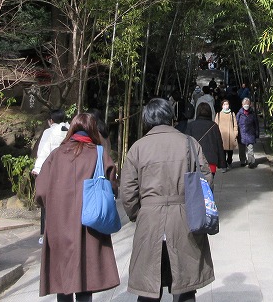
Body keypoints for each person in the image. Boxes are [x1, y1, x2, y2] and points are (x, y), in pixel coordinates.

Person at [122, 98, 215, 302]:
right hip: (185, 220)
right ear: (170, 117)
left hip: (150, 220)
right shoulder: (190, 143)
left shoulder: (137, 148)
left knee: (148, 288)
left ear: (147, 119)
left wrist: (140, 213)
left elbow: (127, 192)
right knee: (185, 286)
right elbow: (206, 179)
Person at [35, 113, 120, 301]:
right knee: (85, 281)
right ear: (93, 130)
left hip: (59, 225)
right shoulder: (99, 154)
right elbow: (112, 187)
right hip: (89, 225)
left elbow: (40, 192)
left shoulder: (56, 155)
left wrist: (56, 205)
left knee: (63, 282)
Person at [32, 109, 70, 244]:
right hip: (67, 173)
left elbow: (43, 151)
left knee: (47, 203)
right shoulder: (70, 130)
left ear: (51, 120)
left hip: (50, 171)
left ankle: (46, 233)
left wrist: (37, 168)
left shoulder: (49, 132)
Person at [185, 102, 226, 184]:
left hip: (195, 161)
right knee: (208, 187)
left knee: (196, 187)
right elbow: (219, 144)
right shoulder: (213, 126)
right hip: (210, 162)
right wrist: (222, 163)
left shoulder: (190, 125)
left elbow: (186, 144)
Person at [214, 98, 238, 171]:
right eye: (224, 104)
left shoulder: (232, 114)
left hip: (230, 135)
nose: (226, 106)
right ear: (222, 106)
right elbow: (215, 125)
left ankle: (229, 162)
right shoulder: (218, 115)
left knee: (230, 152)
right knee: (223, 152)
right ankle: (223, 166)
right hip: (222, 136)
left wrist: (235, 133)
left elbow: (235, 125)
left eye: (227, 104)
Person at [236, 97, 259, 168]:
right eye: (245, 104)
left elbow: (256, 124)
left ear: (250, 104)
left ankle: (251, 162)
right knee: (241, 150)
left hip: (250, 134)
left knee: (250, 149)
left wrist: (257, 133)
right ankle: (243, 161)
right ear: (242, 105)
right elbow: (235, 124)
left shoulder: (252, 113)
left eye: (247, 104)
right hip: (241, 134)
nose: (246, 105)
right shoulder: (239, 114)